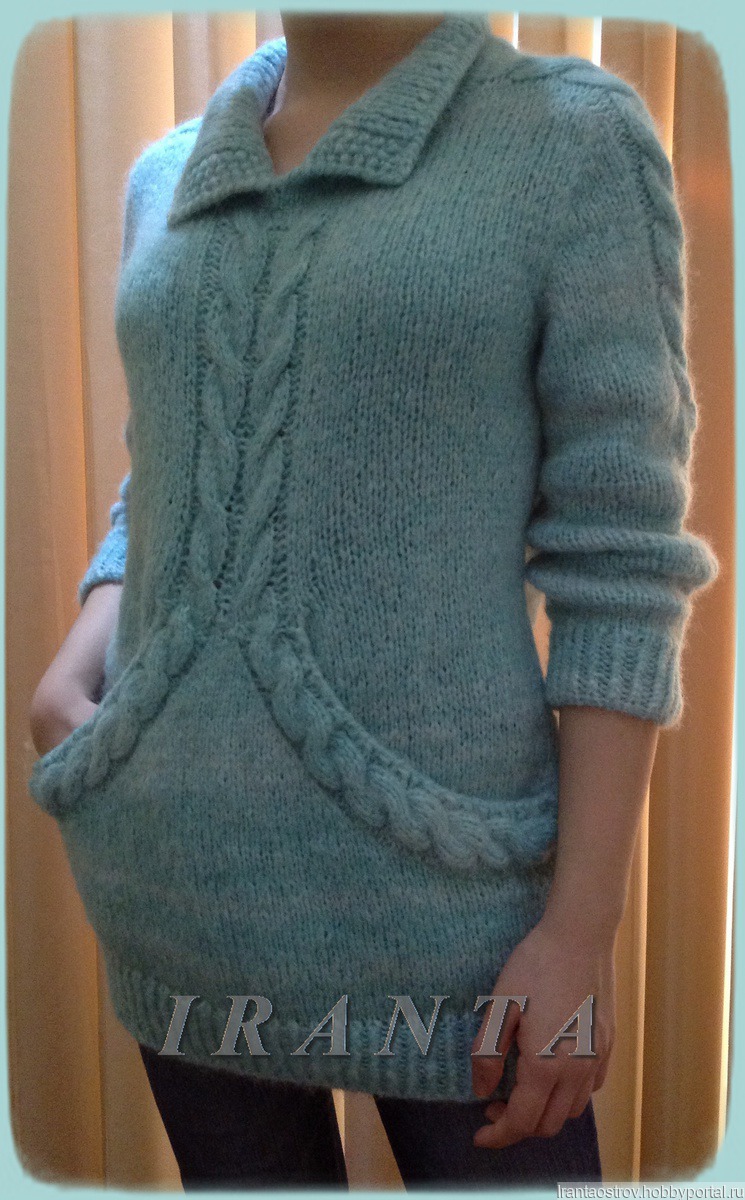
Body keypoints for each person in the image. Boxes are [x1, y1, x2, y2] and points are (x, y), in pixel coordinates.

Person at [28, 9, 719, 1190]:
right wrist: (74, 671)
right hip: (175, 881)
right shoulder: (169, 173)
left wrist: (579, 927)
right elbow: (167, 472)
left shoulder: (567, 139)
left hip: (461, 914)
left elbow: (619, 557)